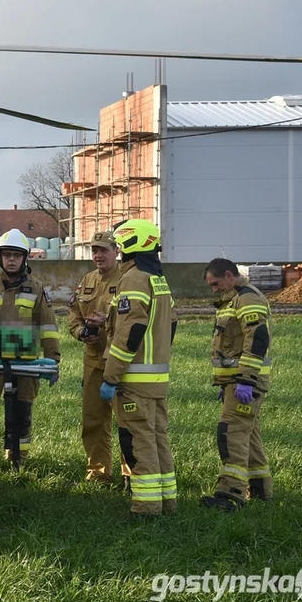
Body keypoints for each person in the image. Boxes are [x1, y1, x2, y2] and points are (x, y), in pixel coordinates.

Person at [99, 218, 177, 517]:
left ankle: (145, 507)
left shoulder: (133, 279)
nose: (117, 252)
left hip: (134, 381)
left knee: (139, 442)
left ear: (133, 243)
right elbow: (171, 324)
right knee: (157, 439)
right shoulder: (158, 279)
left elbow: (129, 332)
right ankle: (167, 501)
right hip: (156, 379)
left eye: (119, 245)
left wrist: (111, 375)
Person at [0, 229, 61, 469]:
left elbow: (48, 326)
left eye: (17, 255)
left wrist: (52, 360)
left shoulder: (36, 288)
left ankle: (18, 459)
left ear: (25, 258)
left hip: (25, 361)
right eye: (7, 255)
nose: (12, 260)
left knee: (21, 411)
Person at [201, 258, 273, 511]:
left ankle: (230, 494)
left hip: (246, 382)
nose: (214, 289)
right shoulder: (234, 299)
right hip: (236, 382)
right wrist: (227, 382)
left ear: (230, 275)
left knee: (230, 434)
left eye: (216, 283)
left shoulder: (247, 299)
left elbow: (257, 338)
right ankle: (261, 490)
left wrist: (245, 379)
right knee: (248, 435)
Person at [66, 230, 125, 485]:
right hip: (92, 357)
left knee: (127, 420)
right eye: (95, 250)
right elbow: (73, 313)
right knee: (92, 419)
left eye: (104, 250)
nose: (98, 255)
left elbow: (134, 320)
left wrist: (108, 321)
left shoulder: (128, 279)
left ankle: (132, 474)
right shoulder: (87, 280)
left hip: (119, 358)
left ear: (117, 251)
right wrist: (81, 332)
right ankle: (98, 473)